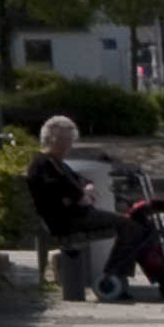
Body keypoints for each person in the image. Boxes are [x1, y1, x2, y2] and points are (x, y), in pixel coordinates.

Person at [23, 116, 124, 300]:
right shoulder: (44, 164)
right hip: (67, 222)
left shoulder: (55, 162)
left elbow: (77, 182)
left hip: (76, 216)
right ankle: (112, 276)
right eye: (67, 141)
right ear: (55, 141)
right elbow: (69, 193)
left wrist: (87, 187)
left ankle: (119, 275)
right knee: (130, 226)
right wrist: (81, 194)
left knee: (133, 224)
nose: (69, 146)